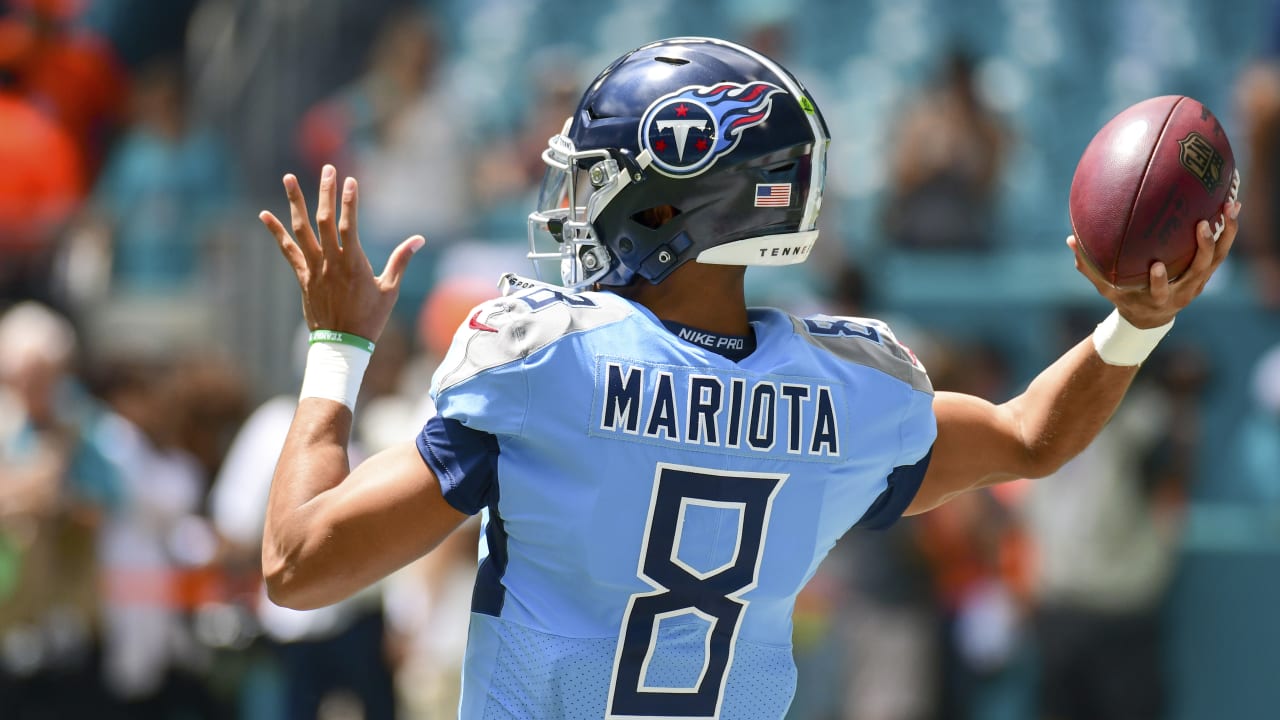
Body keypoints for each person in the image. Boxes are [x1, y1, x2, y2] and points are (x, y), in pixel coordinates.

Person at [255, 37, 1238, 719]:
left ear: (668, 205)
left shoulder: (548, 359)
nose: (576, 202)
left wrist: (337, 348)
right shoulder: (844, 393)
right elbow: (1033, 435)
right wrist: (1136, 321)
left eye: (598, 179)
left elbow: (299, 566)